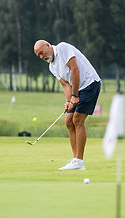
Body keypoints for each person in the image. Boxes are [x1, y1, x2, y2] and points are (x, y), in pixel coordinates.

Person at [33, 40, 101, 170]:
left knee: (77, 119)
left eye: (41, 53)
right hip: (77, 89)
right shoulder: (52, 67)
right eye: (39, 56)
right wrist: (68, 101)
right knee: (69, 121)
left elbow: (75, 70)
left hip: (90, 84)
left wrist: (75, 96)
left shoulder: (62, 48)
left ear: (48, 45)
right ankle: (75, 159)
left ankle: (79, 161)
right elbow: (65, 85)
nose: (41, 57)